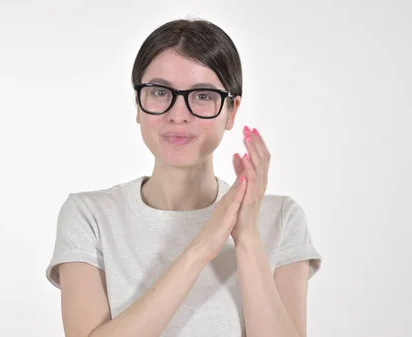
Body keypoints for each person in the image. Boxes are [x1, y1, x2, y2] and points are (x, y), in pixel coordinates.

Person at [45, 18, 322, 337]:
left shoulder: (281, 219)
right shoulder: (89, 215)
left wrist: (246, 239)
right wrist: (201, 248)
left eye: (203, 95)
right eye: (161, 92)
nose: (178, 114)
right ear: (138, 104)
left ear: (231, 111)